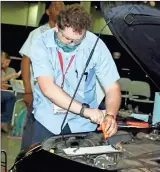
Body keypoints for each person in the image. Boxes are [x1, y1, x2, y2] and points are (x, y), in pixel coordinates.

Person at [21, 4, 121, 150]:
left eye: (78, 40)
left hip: (82, 125)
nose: (72, 44)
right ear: (57, 27)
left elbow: (112, 87)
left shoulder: (96, 45)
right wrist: (85, 111)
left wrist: (111, 115)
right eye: (67, 38)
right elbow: (48, 88)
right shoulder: (40, 43)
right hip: (48, 119)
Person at [19, 1, 65, 108]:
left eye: (62, 7)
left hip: (60, 93)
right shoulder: (37, 34)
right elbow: (26, 61)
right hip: (38, 91)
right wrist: (28, 91)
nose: (59, 9)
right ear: (48, 12)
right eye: (55, 7)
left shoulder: (68, 35)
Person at [1, 51, 17, 133]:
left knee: (10, 96)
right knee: (10, 96)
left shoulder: (3, 71)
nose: (6, 64)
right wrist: (11, 76)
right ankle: (4, 122)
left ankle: (4, 122)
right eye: (5, 61)